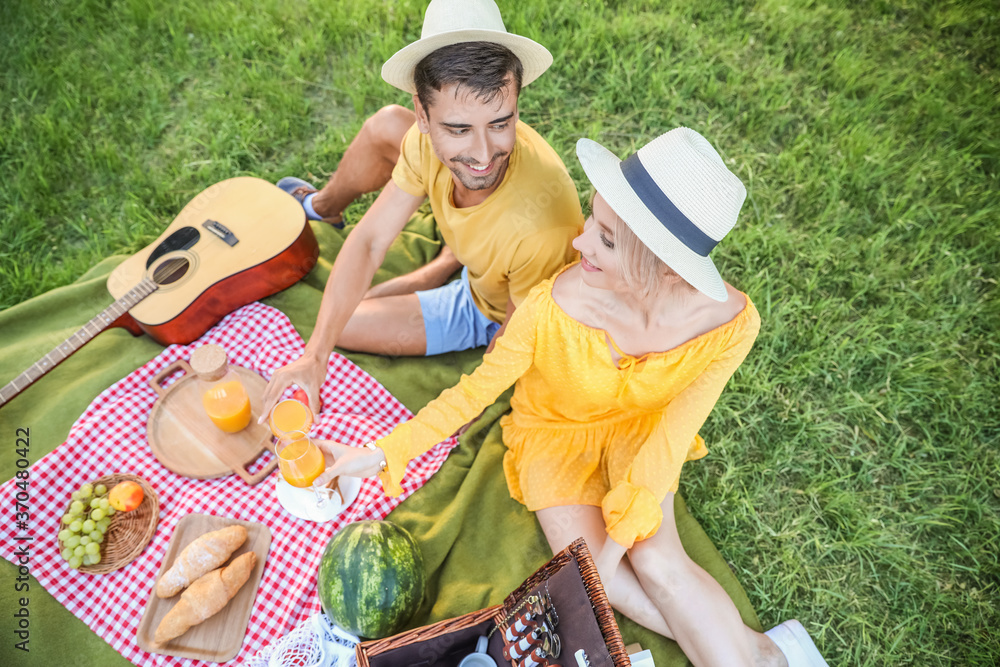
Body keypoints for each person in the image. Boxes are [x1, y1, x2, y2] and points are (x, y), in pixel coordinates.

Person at [316, 128, 829, 666]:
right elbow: (475, 391)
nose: (579, 243)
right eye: (593, 219)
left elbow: (672, 436)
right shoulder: (550, 307)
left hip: (641, 435)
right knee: (600, 579)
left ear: (667, 269)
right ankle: (762, 653)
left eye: (606, 239)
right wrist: (382, 452)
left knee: (659, 565)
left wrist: (624, 539)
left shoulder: (728, 325)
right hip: (553, 433)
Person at [261, 0, 582, 415]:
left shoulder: (543, 228)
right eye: (458, 128)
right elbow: (372, 240)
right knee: (383, 125)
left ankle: (448, 266)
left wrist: (470, 406)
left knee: (350, 323)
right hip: (483, 262)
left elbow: (515, 335)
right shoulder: (420, 140)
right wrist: (314, 357)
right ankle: (343, 216)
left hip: (491, 308)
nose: (484, 154)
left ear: (517, 102)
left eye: (501, 123)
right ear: (423, 115)